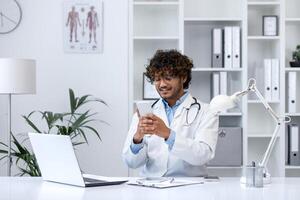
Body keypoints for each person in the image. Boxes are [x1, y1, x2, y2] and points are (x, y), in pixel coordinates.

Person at [122, 49, 219, 177]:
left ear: (183, 77)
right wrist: (138, 137)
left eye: (168, 78)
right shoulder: (144, 112)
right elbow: (131, 163)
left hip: (189, 188)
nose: (162, 84)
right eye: (157, 79)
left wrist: (168, 134)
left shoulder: (207, 111)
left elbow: (203, 155)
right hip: (152, 187)